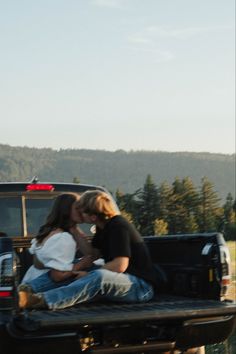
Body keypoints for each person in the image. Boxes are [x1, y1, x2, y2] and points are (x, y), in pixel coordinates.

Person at [18, 190, 157, 310]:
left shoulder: (118, 226)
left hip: (139, 286)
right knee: (73, 265)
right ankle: (26, 289)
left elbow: (120, 265)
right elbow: (92, 255)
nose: (80, 213)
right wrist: (74, 229)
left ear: (93, 216)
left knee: (99, 276)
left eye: (82, 210)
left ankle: (42, 300)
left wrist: (88, 274)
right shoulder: (102, 227)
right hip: (120, 280)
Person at [18, 193, 93, 297]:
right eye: (77, 208)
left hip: (31, 278)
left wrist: (75, 228)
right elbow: (57, 276)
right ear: (66, 210)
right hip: (43, 289)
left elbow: (89, 253)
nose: (82, 210)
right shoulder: (63, 238)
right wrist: (82, 264)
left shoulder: (50, 230)